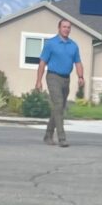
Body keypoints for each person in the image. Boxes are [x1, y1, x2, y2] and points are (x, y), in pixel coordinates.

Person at [35, 18, 84, 148]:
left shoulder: (73, 45)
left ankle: (48, 135)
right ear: (59, 28)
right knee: (58, 104)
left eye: (68, 27)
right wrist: (38, 81)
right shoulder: (51, 44)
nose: (66, 29)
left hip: (66, 78)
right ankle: (62, 138)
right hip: (53, 77)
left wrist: (80, 77)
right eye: (64, 27)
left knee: (59, 108)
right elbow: (42, 63)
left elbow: (78, 62)